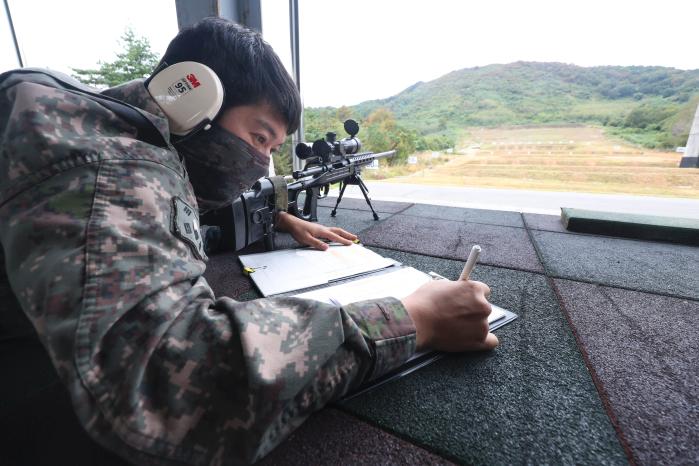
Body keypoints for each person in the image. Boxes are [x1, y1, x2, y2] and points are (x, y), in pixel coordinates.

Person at [0, 17, 498, 465]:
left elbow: (175, 215)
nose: (261, 164)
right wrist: (414, 318)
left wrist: (282, 220)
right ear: (193, 97)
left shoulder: (109, 134)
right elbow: (163, 379)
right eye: (260, 138)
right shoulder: (109, 168)